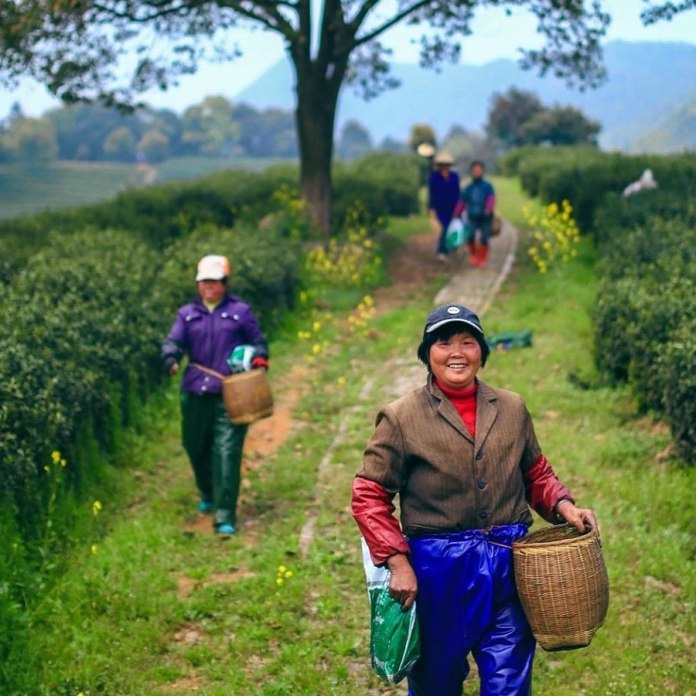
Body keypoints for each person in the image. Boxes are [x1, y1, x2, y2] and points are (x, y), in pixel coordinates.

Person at [351, 303, 597, 695]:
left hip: (509, 562)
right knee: (437, 680)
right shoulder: (401, 418)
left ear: (482, 353)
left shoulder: (512, 408)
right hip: (438, 570)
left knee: (509, 679)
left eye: (468, 342)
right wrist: (397, 562)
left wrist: (563, 507)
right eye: (444, 342)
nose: (456, 352)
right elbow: (369, 494)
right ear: (426, 354)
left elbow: (535, 472)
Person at [161, 254, 270, 537]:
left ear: (225, 283)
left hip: (231, 394)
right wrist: (171, 357)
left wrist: (259, 359)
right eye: (204, 281)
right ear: (198, 284)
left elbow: (258, 343)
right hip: (195, 392)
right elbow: (173, 341)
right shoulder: (187, 314)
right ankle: (208, 491)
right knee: (194, 445)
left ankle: (225, 514)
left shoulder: (240, 311)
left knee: (226, 451)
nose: (209, 286)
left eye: (215, 281)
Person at [455, 160, 496, 268]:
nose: (477, 172)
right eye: (475, 170)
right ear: (471, 172)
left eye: (479, 170)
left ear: (483, 172)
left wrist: (488, 208)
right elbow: (462, 201)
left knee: (484, 238)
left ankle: (482, 259)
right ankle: (474, 256)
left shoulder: (487, 186)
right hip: (472, 215)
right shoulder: (468, 188)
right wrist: (457, 213)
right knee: (471, 235)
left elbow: (491, 198)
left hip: (485, 216)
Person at [427, 151, 461, 263]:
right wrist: (430, 208)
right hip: (440, 208)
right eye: (442, 164)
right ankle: (442, 251)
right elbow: (431, 193)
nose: (444, 167)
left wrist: (460, 206)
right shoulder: (434, 177)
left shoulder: (454, 177)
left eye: (446, 164)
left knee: (453, 228)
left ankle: (451, 247)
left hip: (453, 207)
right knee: (445, 227)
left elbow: (458, 192)